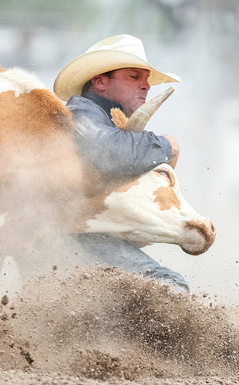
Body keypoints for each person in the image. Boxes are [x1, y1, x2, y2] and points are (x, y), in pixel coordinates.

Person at [53, 34, 189, 292]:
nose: (146, 85)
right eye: (134, 76)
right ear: (101, 81)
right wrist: (168, 145)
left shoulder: (103, 120)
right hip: (70, 236)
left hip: (80, 235)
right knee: (170, 285)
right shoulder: (80, 112)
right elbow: (110, 152)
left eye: (147, 79)